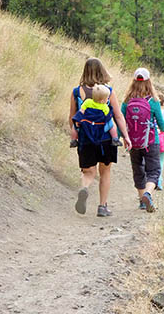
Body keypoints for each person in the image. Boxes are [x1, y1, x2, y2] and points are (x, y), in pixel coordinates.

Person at [69, 58, 131, 217]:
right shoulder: (108, 91)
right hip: (105, 138)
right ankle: (102, 207)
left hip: (86, 138)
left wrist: (75, 134)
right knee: (105, 171)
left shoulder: (77, 92)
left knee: (88, 171)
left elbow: (72, 117)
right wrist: (125, 136)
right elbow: (118, 116)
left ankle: (84, 188)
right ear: (102, 71)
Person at [121, 67, 164, 213]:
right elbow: (162, 125)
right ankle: (148, 193)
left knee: (138, 170)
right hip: (151, 141)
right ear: (149, 82)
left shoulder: (127, 101)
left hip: (133, 142)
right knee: (154, 171)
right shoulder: (153, 101)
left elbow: (120, 119)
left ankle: (142, 201)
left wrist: (125, 137)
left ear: (133, 82)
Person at [70, 84, 122, 148]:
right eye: (107, 98)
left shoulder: (88, 101)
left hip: (87, 122)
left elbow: (82, 110)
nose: (108, 100)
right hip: (100, 124)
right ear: (102, 100)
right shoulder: (105, 107)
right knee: (111, 125)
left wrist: (78, 120)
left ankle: (73, 140)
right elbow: (107, 117)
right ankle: (115, 139)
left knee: (74, 126)